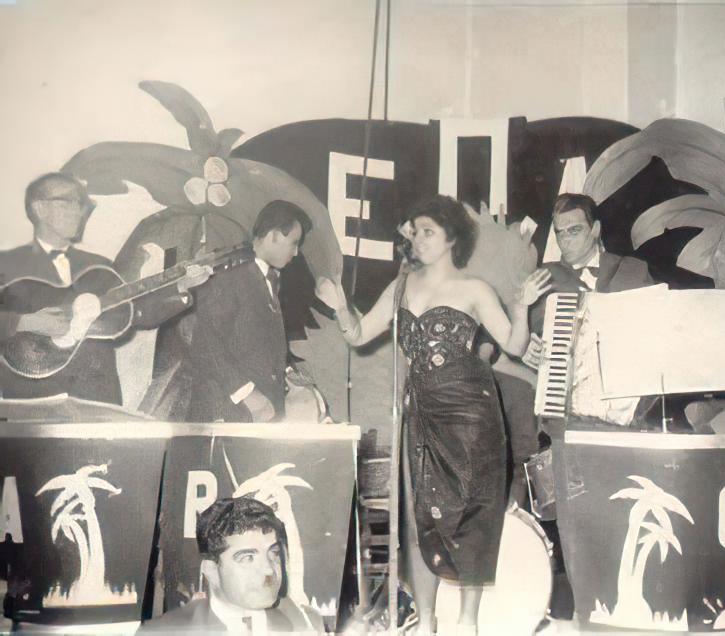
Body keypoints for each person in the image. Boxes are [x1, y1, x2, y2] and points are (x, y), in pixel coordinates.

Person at [316, 195, 551, 635]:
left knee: (472, 515)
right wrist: (340, 305)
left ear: (451, 239)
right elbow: (359, 335)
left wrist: (522, 307)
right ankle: (426, 622)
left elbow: (515, 345)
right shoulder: (401, 286)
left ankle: (468, 622)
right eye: (415, 231)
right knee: (419, 518)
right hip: (421, 415)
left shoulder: (475, 288)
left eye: (428, 232)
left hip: (473, 415)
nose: (418, 239)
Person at [0, 172, 207, 405]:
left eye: (82, 203)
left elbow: (134, 312)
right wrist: (23, 322)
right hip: (33, 401)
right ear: (40, 209)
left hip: (97, 398)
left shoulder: (99, 266)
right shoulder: (7, 266)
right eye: (69, 201)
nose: (79, 211)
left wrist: (181, 287)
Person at [186, 200, 311, 423]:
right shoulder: (230, 274)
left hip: (259, 415)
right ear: (274, 235)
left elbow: (254, 344)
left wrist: (289, 373)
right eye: (294, 243)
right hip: (228, 415)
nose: (296, 252)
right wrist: (246, 394)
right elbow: (205, 342)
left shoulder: (269, 280)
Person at [139, 497, 321, 634]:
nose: (269, 570)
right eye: (248, 558)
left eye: (273, 553)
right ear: (212, 572)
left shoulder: (306, 624)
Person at [528, 193, 654, 337]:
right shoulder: (544, 278)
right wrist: (533, 345)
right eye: (559, 232)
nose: (564, 240)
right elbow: (534, 334)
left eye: (574, 230)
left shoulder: (633, 269)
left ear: (595, 230)